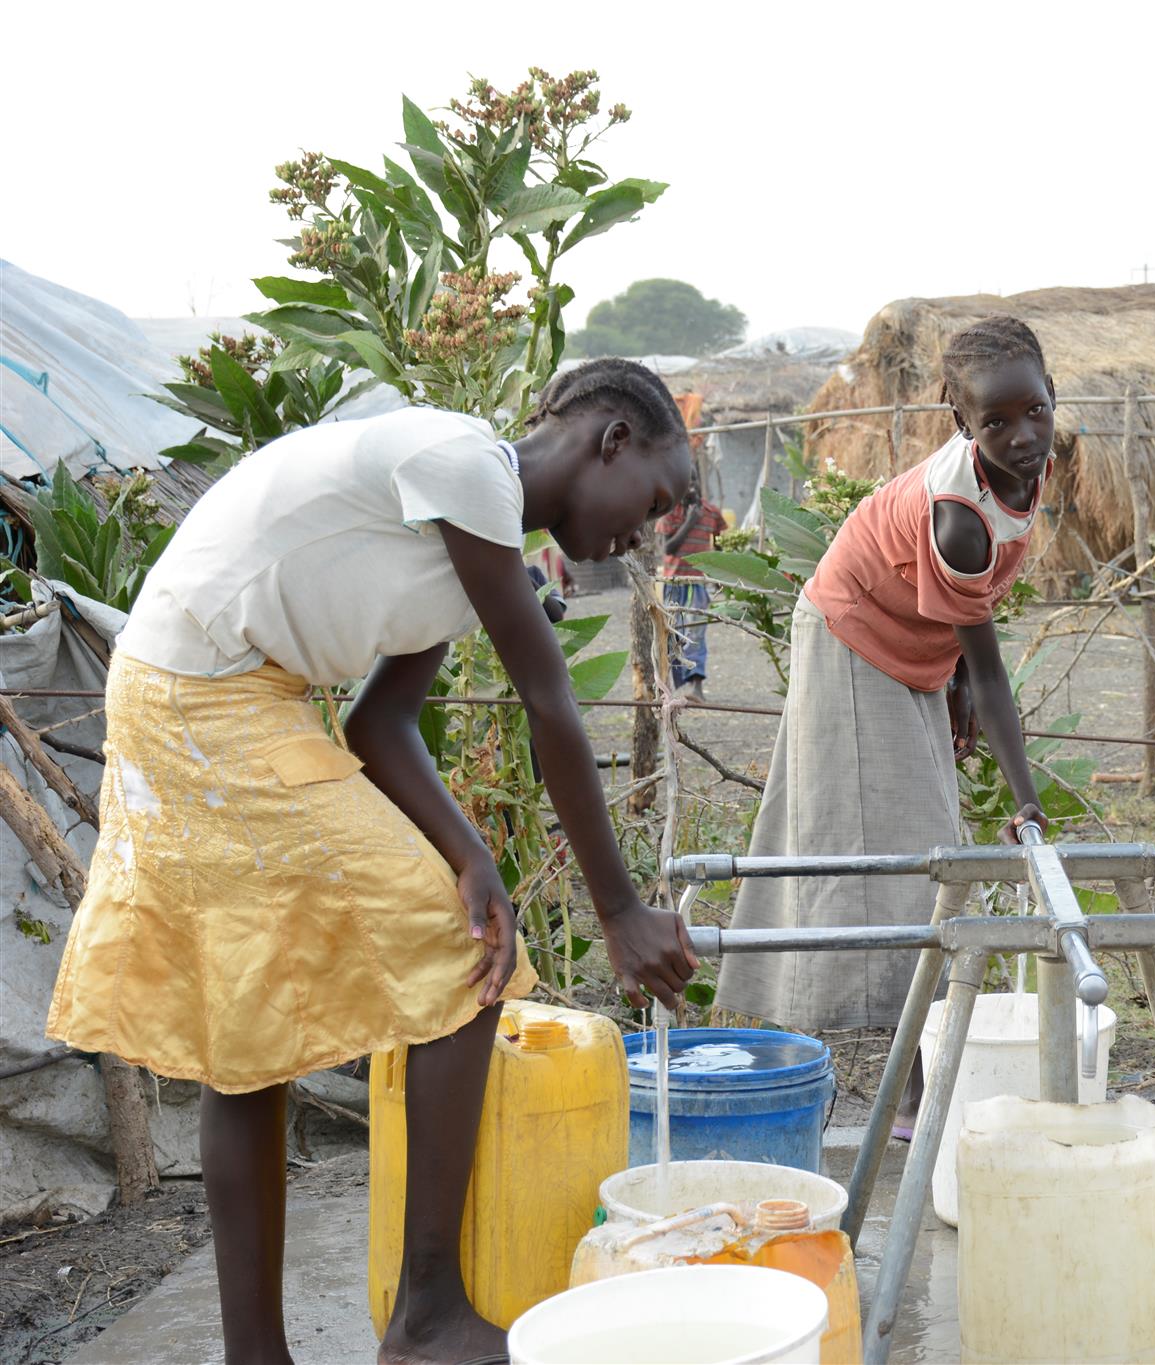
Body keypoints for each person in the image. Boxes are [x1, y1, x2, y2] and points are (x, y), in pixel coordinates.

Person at [44, 358, 703, 1365]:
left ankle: (261, 1355)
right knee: (456, 954)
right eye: (655, 498)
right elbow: (547, 700)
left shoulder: (467, 540)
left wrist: (470, 853)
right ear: (611, 438)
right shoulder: (466, 466)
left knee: (249, 1034)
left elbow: (380, 723)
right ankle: (427, 1315)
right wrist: (618, 909)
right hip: (205, 697)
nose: (645, 531)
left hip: (221, 690)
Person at [715, 316, 1051, 1134]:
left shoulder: (1022, 478)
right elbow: (995, 666)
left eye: (1034, 412)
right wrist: (1028, 800)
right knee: (911, 850)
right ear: (961, 422)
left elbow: (973, 641)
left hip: (911, 643)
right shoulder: (958, 516)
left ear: (1053, 396)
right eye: (996, 423)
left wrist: (957, 687)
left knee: (924, 844)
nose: (1021, 437)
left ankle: (890, 1063)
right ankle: (900, 1083)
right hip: (851, 637)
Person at [657, 494, 724, 702]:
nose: (691, 487)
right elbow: (668, 549)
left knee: (696, 633)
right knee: (671, 633)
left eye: (694, 480)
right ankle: (669, 686)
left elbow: (719, 544)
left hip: (697, 583)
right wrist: (690, 521)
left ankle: (696, 686)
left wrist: (721, 573)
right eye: (687, 482)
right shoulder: (669, 514)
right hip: (673, 583)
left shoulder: (711, 513)